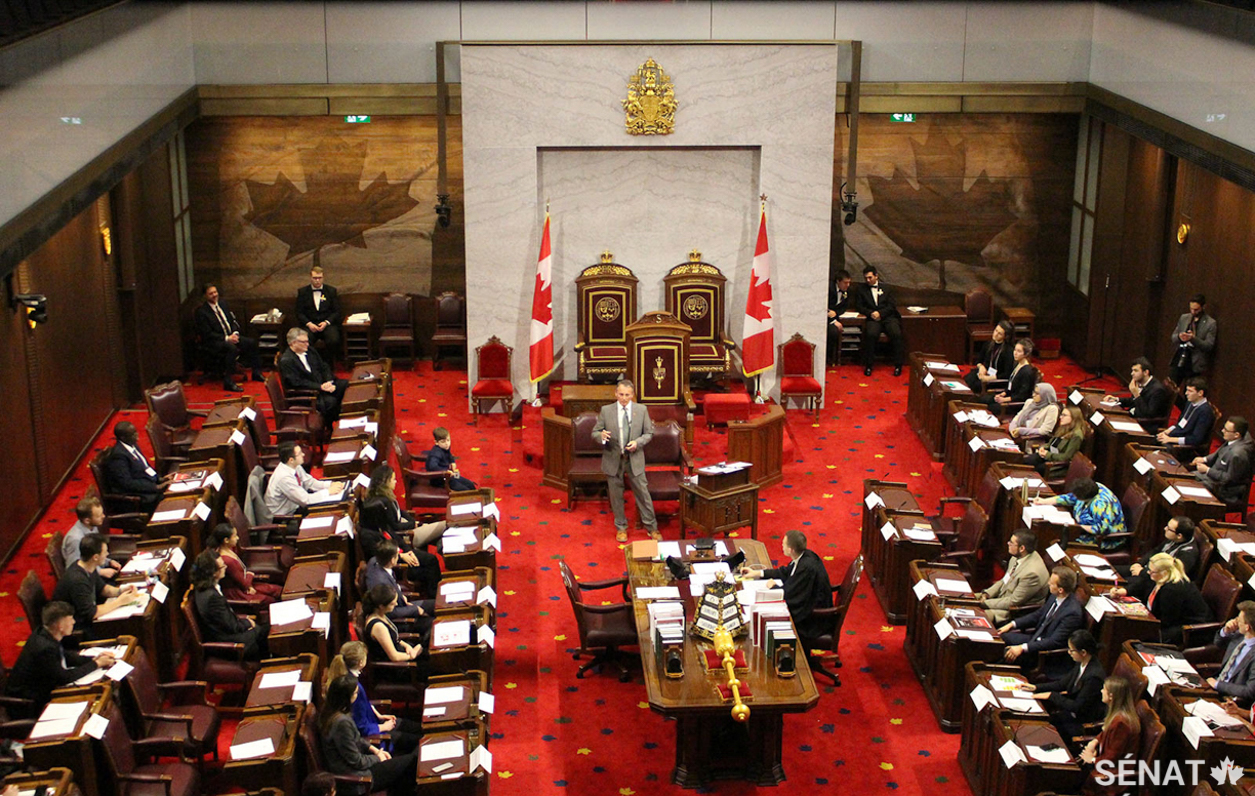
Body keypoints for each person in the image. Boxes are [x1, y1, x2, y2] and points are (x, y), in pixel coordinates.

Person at [5, 601, 118, 718]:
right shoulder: (44, 648)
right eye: (70, 619)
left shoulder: (44, 633)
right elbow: (64, 678)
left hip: (41, 690)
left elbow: (64, 656)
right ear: (60, 625)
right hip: (30, 705)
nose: (74, 622)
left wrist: (93, 659)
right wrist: (96, 664)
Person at [319, 674, 417, 796]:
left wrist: (375, 750)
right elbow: (356, 761)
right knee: (412, 762)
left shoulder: (331, 712)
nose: (357, 695)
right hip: (359, 778)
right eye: (355, 693)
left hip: (362, 765)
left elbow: (357, 738)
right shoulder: (341, 723)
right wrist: (378, 758)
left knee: (406, 767)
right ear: (346, 697)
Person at [359, 464, 444, 597]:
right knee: (429, 566)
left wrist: (408, 551)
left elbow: (394, 538)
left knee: (430, 559)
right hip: (396, 566)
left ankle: (435, 593)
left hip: (401, 554)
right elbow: (382, 556)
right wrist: (402, 556)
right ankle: (434, 597)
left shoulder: (381, 526)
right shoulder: (368, 536)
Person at [591, 379, 658, 543]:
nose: (624, 398)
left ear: (632, 395)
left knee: (643, 494)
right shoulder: (606, 411)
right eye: (621, 394)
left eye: (627, 395)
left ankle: (652, 527)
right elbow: (595, 432)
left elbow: (649, 433)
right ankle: (621, 527)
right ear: (616, 393)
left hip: (634, 458)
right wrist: (601, 436)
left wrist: (638, 442)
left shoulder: (641, 410)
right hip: (613, 458)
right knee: (616, 496)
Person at [325, 641, 422, 755]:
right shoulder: (352, 688)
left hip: (375, 722)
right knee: (419, 741)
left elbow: (365, 704)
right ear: (361, 662)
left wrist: (378, 715)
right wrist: (383, 727)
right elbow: (361, 727)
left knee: (419, 728)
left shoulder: (348, 678)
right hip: (374, 735)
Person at [740, 530, 833, 645]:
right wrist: (757, 573)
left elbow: (791, 596)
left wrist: (773, 587)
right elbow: (785, 572)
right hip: (812, 606)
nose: (781, 546)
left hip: (813, 621)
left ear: (791, 550)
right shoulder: (804, 556)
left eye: (783, 544)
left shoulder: (806, 568)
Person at [998, 566, 1085, 675]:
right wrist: (1012, 624)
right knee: (1001, 638)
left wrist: (1022, 648)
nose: (1048, 583)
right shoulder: (1054, 596)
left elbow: (1053, 642)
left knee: (1006, 653)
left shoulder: (1072, 613)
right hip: (1035, 638)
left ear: (1060, 589)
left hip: (1044, 654)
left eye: (1052, 583)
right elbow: (1038, 615)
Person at [1108, 553, 1210, 645]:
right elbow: (1142, 585)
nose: (1148, 573)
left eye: (1152, 571)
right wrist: (1124, 591)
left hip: (1185, 630)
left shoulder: (1172, 590)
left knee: (1130, 632)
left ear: (1164, 572)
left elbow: (1166, 620)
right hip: (1161, 621)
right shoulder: (1158, 577)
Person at [1022, 629, 1106, 740]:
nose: (1069, 653)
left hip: (1081, 722)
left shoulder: (1093, 677)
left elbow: (1077, 707)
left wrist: (1052, 696)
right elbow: (1062, 684)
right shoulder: (1082, 663)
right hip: (1070, 713)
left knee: (1042, 729)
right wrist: (1036, 687)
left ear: (1083, 652)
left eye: (1072, 650)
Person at [50, 534, 140, 637]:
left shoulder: (88, 567)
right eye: (105, 552)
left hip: (88, 618)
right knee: (130, 627)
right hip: (78, 628)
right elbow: (91, 613)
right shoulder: (78, 580)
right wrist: (119, 602)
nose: (107, 554)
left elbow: (102, 588)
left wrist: (121, 591)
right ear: (95, 557)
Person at [190, 550, 267, 660]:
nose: (225, 567)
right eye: (222, 566)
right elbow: (232, 626)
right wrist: (247, 622)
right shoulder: (212, 598)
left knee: (266, 629)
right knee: (266, 632)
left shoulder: (204, 587)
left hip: (225, 630)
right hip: (228, 643)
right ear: (213, 572)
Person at [193, 283, 263, 392]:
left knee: (252, 342)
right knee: (231, 349)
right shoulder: (201, 312)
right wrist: (227, 338)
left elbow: (232, 321)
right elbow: (207, 334)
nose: (214, 295)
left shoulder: (223, 304)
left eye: (215, 292)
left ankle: (256, 373)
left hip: (231, 336)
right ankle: (228, 382)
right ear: (205, 296)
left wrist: (235, 333)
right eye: (211, 293)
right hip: (214, 342)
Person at [1079, 677, 1141, 796]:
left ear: (1111, 696)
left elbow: (1112, 757)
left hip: (1111, 775)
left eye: (1104, 689)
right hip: (1105, 763)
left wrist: (1092, 759)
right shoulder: (1118, 716)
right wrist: (1094, 742)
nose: (1101, 691)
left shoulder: (1121, 723)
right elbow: (1106, 732)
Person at [1035, 477, 1127, 553]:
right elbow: (1069, 498)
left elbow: (1103, 529)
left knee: (1061, 539)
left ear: (1084, 498)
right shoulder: (1092, 487)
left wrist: (1078, 527)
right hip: (1082, 530)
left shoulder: (1100, 504)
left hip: (1104, 540)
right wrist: (1044, 501)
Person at [978, 530, 1050, 624]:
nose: (1008, 544)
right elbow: (1004, 581)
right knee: (964, 597)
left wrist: (983, 603)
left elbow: (1013, 602)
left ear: (1022, 548)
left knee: (972, 615)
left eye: (1011, 543)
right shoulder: (1017, 556)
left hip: (1010, 612)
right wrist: (986, 594)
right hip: (1000, 599)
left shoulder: (1032, 574)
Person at [279, 327, 348, 424]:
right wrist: (320, 387)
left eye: (307, 341)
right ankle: (329, 425)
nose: (307, 344)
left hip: (321, 384)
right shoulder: (287, 361)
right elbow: (297, 383)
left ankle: (340, 415)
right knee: (331, 402)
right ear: (293, 343)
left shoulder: (310, 350)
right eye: (304, 342)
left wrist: (328, 381)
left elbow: (324, 366)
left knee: (345, 385)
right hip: (307, 393)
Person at [101, 420, 172, 512]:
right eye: (133, 434)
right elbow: (127, 483)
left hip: (149, 484)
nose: (137, 435)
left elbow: (145, 466)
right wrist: (154, 487)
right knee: (169, 499)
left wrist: (159, 479)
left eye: (135, 432)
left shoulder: (133, 445)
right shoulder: (118, 457)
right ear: (123, 437)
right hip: (138, 496)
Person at [205, 523, 282, 605]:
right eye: (234, 536)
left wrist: (249, 581)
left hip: (245, 584)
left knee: (277, 590)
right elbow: (244, 583)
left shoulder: (231, 548)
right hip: (236, 591)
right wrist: (250, 575)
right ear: (226, 540)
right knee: (269, 600)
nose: (237, 538)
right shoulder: (227, 560)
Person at [265, 441, 343, 518]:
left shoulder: (293, 465)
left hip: (296, 505)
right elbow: (306, 500)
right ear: (291, 460)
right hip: (285, 518)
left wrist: (330, 485)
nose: (303, 454)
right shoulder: (284, 478)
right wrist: (328, 492)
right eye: (299, 454)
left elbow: (310, 482)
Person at [1194, 416, 1254, 514]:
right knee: (1187, 477)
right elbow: (1220, 451)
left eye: (1226, 430)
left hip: (1226, 490)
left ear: (1236, 435)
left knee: (1193, 489)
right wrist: (1204, 459)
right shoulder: (1236, 437)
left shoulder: (1237, 454)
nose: (1222, 431)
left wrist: (1207, 470)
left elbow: (1229, 479)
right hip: (1215, 478)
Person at [364, 541, 434, 625]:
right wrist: (415, 609)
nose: (399, 557)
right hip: (399, 620)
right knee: (433, 623)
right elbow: (389, 612)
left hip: (402, 604)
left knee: (437, 605)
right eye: (397, 555)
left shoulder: (374, 561)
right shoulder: (382, 585)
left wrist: (402, 556)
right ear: (392, 560)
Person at [853, 265, 904, 376]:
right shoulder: (861, 290)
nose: (868, 280)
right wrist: (871, 313)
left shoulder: (887, 288)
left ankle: (898, 365)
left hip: (888, 317)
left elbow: (891, 306)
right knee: (871, 334)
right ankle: (869, 365)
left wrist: (880, 313)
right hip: (872, 318)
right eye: (866, 278)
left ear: (876, 276)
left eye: (870, 277)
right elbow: (859, 306)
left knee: (896, 333)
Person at [1118, 515, 1199, 584]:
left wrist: (1141, 572)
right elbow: (1155, 551)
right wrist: (1139, 563)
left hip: (1153, 581)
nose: (1165, 528)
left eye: (1169, 528)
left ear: (1179, 535)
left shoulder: (1188, 554)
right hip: (1146, 570)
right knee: (1110, 570)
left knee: (1118, 582)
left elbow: (1168, 576)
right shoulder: (1174, 538)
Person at [1104, 357, 1171, 432]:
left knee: (1108, 428)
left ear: (1146, 372)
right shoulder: (1141, 383)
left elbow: (1148, 414)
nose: (1132, 373)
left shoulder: (1157, 390)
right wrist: (1117, 399)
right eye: (1132, 370)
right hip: (1133, 417)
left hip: (1144, 424)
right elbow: (1134, 401)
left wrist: (1136, 394)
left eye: (1135, 371)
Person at [362, 584, 424, 664]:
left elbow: (395, 639)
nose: (396, 604)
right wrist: (413, 654)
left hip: (402, 652)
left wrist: (407, 646)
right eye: (392, 603)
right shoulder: (378, 627)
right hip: (397, 666)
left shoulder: (380, 614)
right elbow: (394, 657)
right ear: (381, 606)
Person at [1208, 601, 1255, 706]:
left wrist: (1218, 685)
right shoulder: (1240, 635)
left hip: (1230, 699)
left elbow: (1250, 691)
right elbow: (1218, 643)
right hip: (1215, 686)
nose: (1236, 622)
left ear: (1247, 627)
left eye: (1239, 620)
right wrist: (1226, 630)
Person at [1024, 405, 1088, 479]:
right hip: (1049, 456)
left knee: (1035, 469)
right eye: (1061, 414)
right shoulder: (1063, 428)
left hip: (1057, 465)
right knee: (1028, 460)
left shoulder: (1077, 436)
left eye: (1064, 415)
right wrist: (1043, 448)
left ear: (1074, 418)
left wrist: (1048, 455)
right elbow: (1050, 444)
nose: (1061, 417)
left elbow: (1066, 457)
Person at [1169, 294, 1217, 392]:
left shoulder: (1210, 323)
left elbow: (1208, 345)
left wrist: (1193, 339)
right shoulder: (1184, 318)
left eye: (1196, 310)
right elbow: (1173, 337)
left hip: (1194, 362)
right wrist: (1180, 337)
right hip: (1180, 356)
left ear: (1203, 307)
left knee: (1189, 392)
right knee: (1170, 388)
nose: (1193, 312)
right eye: (1191, 309)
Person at [62, 496, 121, 577]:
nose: (103, 516)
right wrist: (101, 572)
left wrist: (108, 562)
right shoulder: (75, 539)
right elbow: (74, 568)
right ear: (87, 520)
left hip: (95, 569)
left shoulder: (92, 526)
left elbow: (94, 553)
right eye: (99, 516)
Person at [1156, 377, 1215, 456]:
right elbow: (1180, 423)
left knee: (1162, 448)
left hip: (1186, 447)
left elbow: (1196, 439)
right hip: (1177, 437)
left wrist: (1170, 439)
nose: (1186, 393)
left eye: (1190, 391)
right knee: (1156, 439)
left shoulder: (1205, 412)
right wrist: (1167, 431)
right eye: (1187, 390)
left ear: (1200, 393)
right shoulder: (1190, 403)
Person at [295, 265, 342, 365]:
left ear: (323, 278)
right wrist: (309, 324)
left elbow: (336, 311)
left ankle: (328, 365)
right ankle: (311, 365)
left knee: (334, 339)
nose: (317, 281)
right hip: (310, 325)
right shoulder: (303, 292)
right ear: (310, 278)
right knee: (304, 341)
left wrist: (326, 322)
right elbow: (299, 312)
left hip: (327, 324)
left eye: (319, 278)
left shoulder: (331, 291)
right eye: (315, 278)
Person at [980, 338, 1037, 410]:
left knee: (989, 407)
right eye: (1015, 350)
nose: (1015, 353)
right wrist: (1002, 394)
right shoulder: (1017, 364)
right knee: (983, 400)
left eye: (1019, 351)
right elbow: (1010, 386)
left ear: (1026, 354)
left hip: (1014, 404)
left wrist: (1004, 399)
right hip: (1008, 396)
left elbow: (1022, 395)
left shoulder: (1027, 372)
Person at [964, 319, 1016, 393]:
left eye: (1000, 334)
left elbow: (1006, 374)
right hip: (985, 373)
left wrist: (988, 378)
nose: (995, 334)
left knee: (976, 385)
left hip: (996, 379)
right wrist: (981, 367)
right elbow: (979, 360)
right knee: (968, 379)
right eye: (995, 330)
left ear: (1006, 337)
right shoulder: (988, 344)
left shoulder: (1009, 351)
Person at [425, 427, 477, 491]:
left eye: (448, 440)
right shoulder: (436, 453)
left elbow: (449, 455)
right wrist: (445, 471)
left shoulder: (445, 448)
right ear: (436, 442)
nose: (447, 443)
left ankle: (476, 499)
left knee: (470, 485)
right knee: (465, 490)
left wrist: (452, 462)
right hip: (440, 480)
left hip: (449, 476)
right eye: (443, 441)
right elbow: (432, 466)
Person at [826, 269, 852, 366]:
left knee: (835, 330)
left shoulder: (846, 292)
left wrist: (835, 315)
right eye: (845, 283)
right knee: (832, 331)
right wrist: (832, 319)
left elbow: (843, 308)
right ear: (838, 281)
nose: (848, 285)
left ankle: (833, 358)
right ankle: (827, 357)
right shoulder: (829, 288)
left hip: (834, 317)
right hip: (824, 318)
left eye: (849, 282)